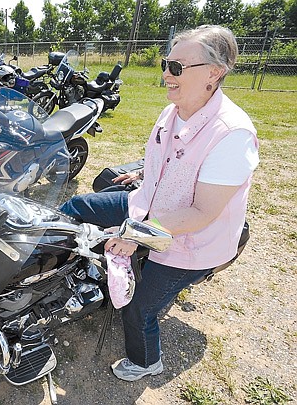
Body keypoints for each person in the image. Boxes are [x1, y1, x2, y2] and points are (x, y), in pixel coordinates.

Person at [60, 25, 259, 382]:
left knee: (138, 308)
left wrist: (135, 234)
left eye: (178, 67)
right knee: (78, 207)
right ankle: (54, 274)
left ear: (214, 73)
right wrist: (142, 177)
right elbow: (171, 160)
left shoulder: (232, 133)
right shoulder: (173, 112)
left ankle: (146, 360)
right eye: (166, 63)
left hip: (191, 238)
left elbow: (202, 212)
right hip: (149, 206)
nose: (167, 73)